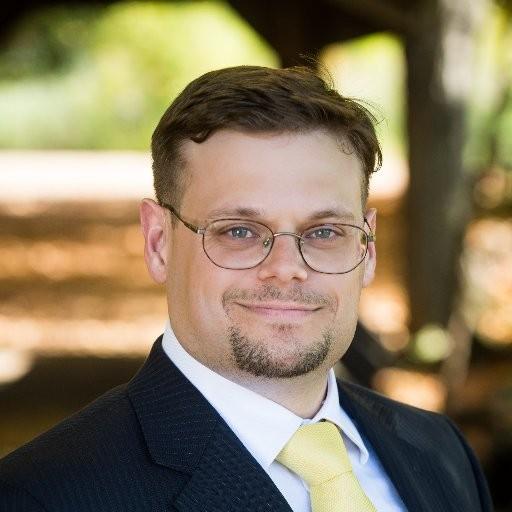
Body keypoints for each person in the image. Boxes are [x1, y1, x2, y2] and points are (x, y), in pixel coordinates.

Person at [0, 66, 492, 512]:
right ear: (158, 243)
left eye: (324, 232)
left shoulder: (440, 452)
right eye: (239, 231)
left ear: (368, 247)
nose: (287, 269)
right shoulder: (43, 495)